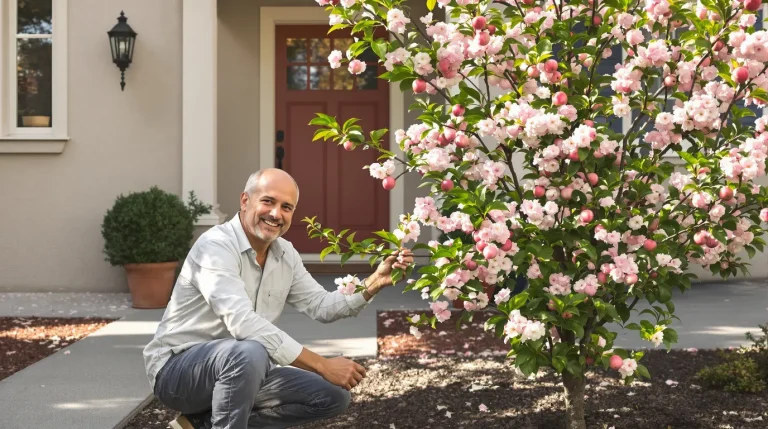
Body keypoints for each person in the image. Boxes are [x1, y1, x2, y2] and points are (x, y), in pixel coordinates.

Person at [143, 168, 414, 429]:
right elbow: (243, 324)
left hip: (245, 371)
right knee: (250, 349)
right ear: (245, 200)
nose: (276, 214)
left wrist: (373, 283)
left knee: (331, 395)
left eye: (287, 207)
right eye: (268, 202)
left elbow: (321, 306)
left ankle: (199, 424)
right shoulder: (215, 246)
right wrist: (322, 364)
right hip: (179, 375)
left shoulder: (285, 254)